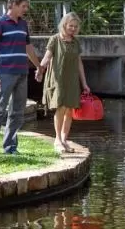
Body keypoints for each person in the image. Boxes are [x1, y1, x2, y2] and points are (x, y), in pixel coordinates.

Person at [0, 0, 43, 155]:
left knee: (17, 111)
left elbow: (28, 47)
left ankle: (10, 147)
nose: (26, 9)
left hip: (22, 73)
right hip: (5, 73)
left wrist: (38, 66)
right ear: (14, 4)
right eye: (23, 6)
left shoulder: (23, 25)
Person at [36, 12, 89, 154]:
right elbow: (47, 57)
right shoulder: (54, 39)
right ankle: (57, 139)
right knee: (61, 108)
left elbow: (79, 63)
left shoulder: (76, 42)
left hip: (72, 80)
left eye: (75, 26)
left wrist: (84, 83)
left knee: (70, 109)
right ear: (64, 25)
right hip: (58, 79)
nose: (73, 28)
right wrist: (40, 69)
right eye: (70, 25)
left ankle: (65, 139)